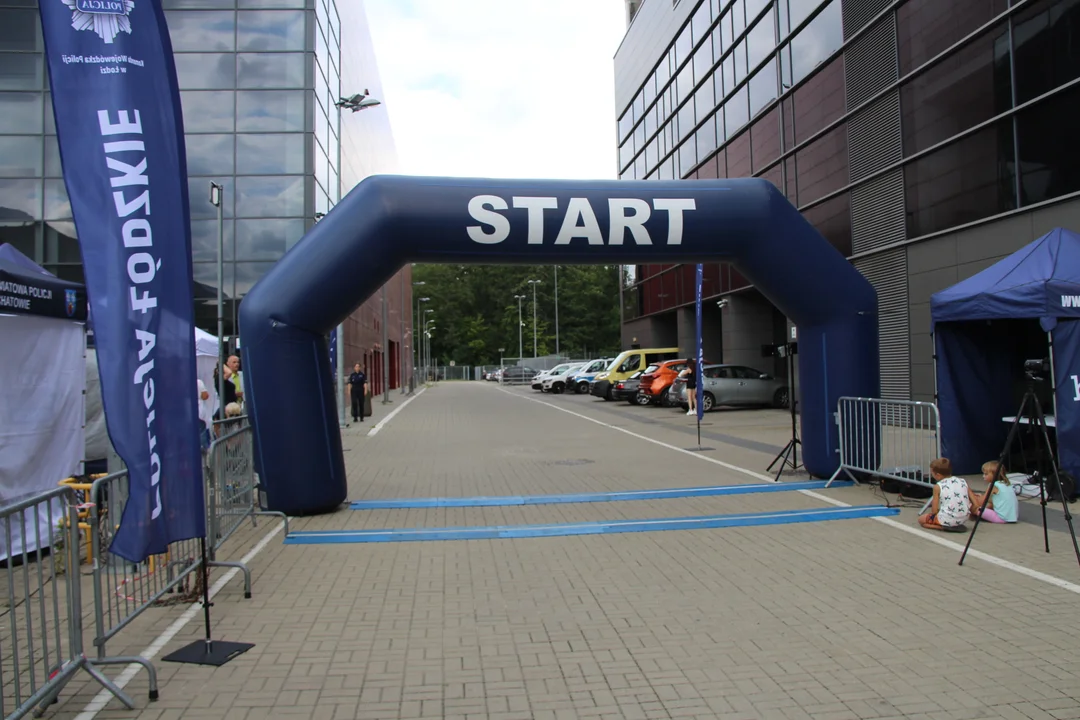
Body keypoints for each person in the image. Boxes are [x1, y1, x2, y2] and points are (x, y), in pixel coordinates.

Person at [918, 457, 971, 532]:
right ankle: (954, 524)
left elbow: (934, 511)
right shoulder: (962, 481)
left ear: (938, 475)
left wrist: (937, 513)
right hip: (964, 518)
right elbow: (974, 501)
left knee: (921, 520)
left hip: (947, 519)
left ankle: (942, 527)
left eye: (932, 473)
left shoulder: (938, 486)